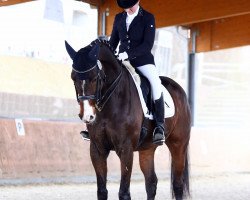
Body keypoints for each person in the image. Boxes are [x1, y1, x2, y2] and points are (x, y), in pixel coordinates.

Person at [109, 0, 166, 145]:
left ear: (138, 1)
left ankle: (159, 126)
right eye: (125, 7)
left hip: (143, 61)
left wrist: (128, 54)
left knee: (155, 83)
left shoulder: (147, 17)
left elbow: (147, 45)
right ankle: (96, 123)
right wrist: (108, 56)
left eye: (130, 6)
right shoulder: (119, 18)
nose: (128, 9)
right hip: (122, 61)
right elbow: (113, 42)